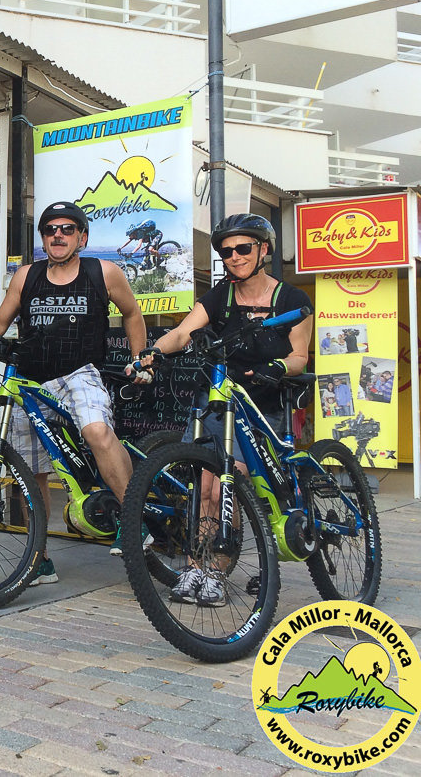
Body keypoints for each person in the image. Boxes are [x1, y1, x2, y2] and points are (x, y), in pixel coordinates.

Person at [0, 200, 148, 586]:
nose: (58, 235)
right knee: (31, 470)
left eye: (67, 229)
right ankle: (39, 557)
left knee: (96, 431)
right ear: (43, 239)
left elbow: (132, 313)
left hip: (79, 372)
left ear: (82, 237)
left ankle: (133, 519)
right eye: (50, 230)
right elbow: (1, 318)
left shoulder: (103, 272)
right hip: (30, 379)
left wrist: (140, 359)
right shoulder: (27, 276)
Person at [129, 213, 311, 607]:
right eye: (226, 252)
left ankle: (216, 569)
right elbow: (182, 333)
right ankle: (200, 567)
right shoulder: (219, 297)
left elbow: (299, 356)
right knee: (207, 487)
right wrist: (152, 352)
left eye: (243, 248)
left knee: (232, 480)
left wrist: (275, 368)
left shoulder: (292, 300)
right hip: (218, 401)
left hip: (262, 405)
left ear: (263, 250)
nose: (234, 257)